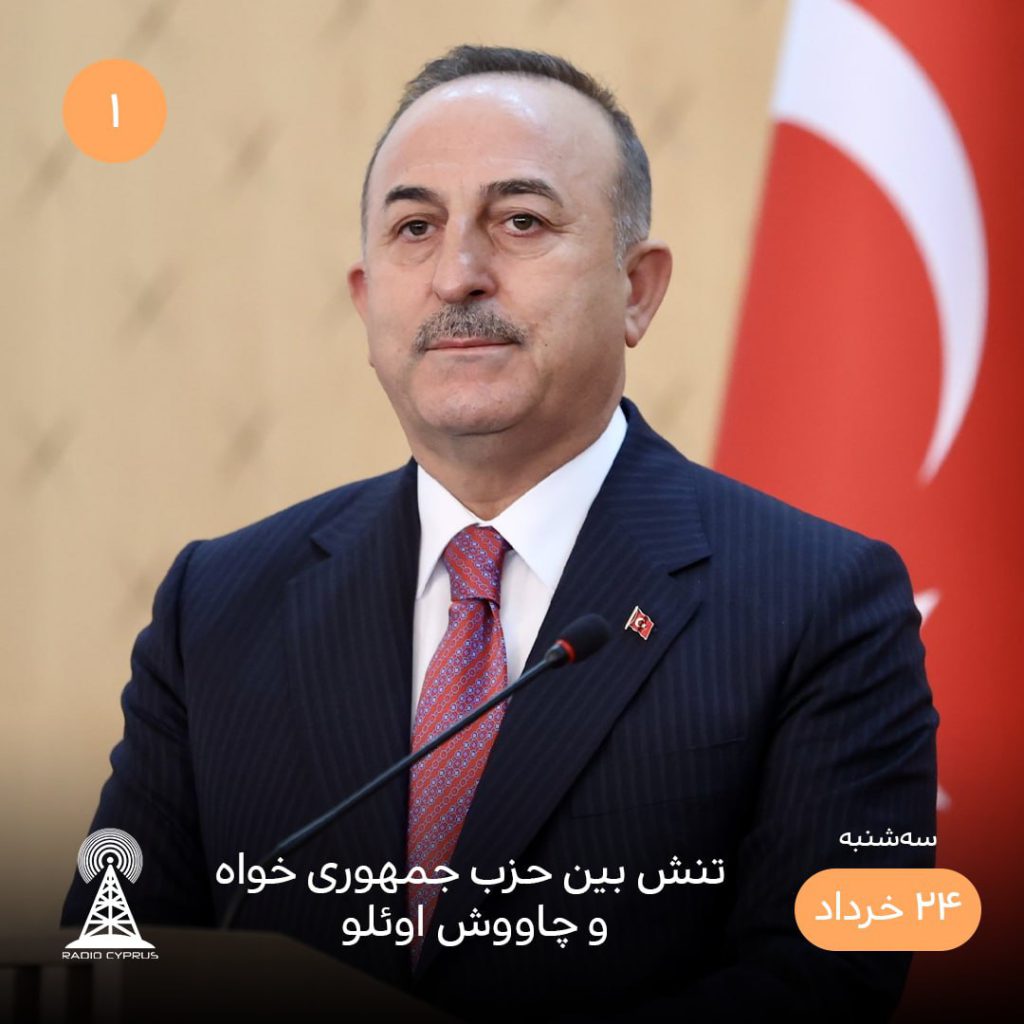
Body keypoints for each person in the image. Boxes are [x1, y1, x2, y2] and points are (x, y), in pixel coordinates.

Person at [63, 45, 938, 1022]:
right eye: (415, 228)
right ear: (366, 300)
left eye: (520, 221)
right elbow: (113, 955)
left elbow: (826, 983)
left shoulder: (820, 601)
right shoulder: (220, 603)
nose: (458, 276)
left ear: (637, 289)